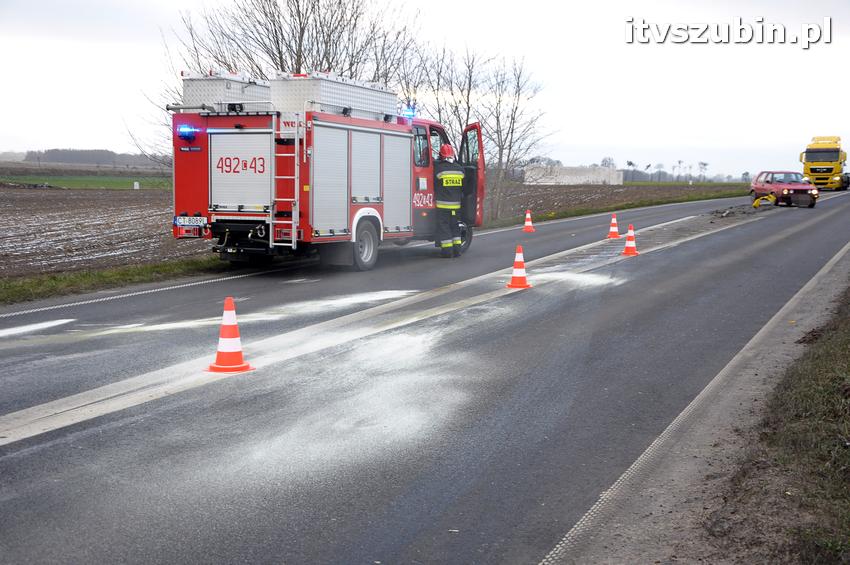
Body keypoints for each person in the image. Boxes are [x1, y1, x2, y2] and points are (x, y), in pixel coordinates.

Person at [434, 144, 465, 257]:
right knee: (455, 227)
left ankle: (447, 252)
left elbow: (434, 184)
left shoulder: (439, 169)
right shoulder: (460, 169)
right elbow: (464, 187)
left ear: (441, 155)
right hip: (456, 206)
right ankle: (457, 250)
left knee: (444, 227)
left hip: (443, 206)